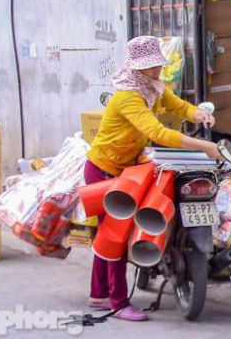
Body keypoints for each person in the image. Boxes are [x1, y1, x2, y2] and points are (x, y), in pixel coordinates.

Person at [84, 36, 221, 321]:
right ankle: (118, 303)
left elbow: (178, 106)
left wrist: (199, 114)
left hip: (126, 166)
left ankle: (99, 294)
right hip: (104, 167)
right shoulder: (128, 96)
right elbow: (158, 132)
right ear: (137, 69)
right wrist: (206, 147)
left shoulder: (152, 88)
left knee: (108, 235)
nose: (157, 70)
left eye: (158, 65)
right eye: (151, 67)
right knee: (116, 236)